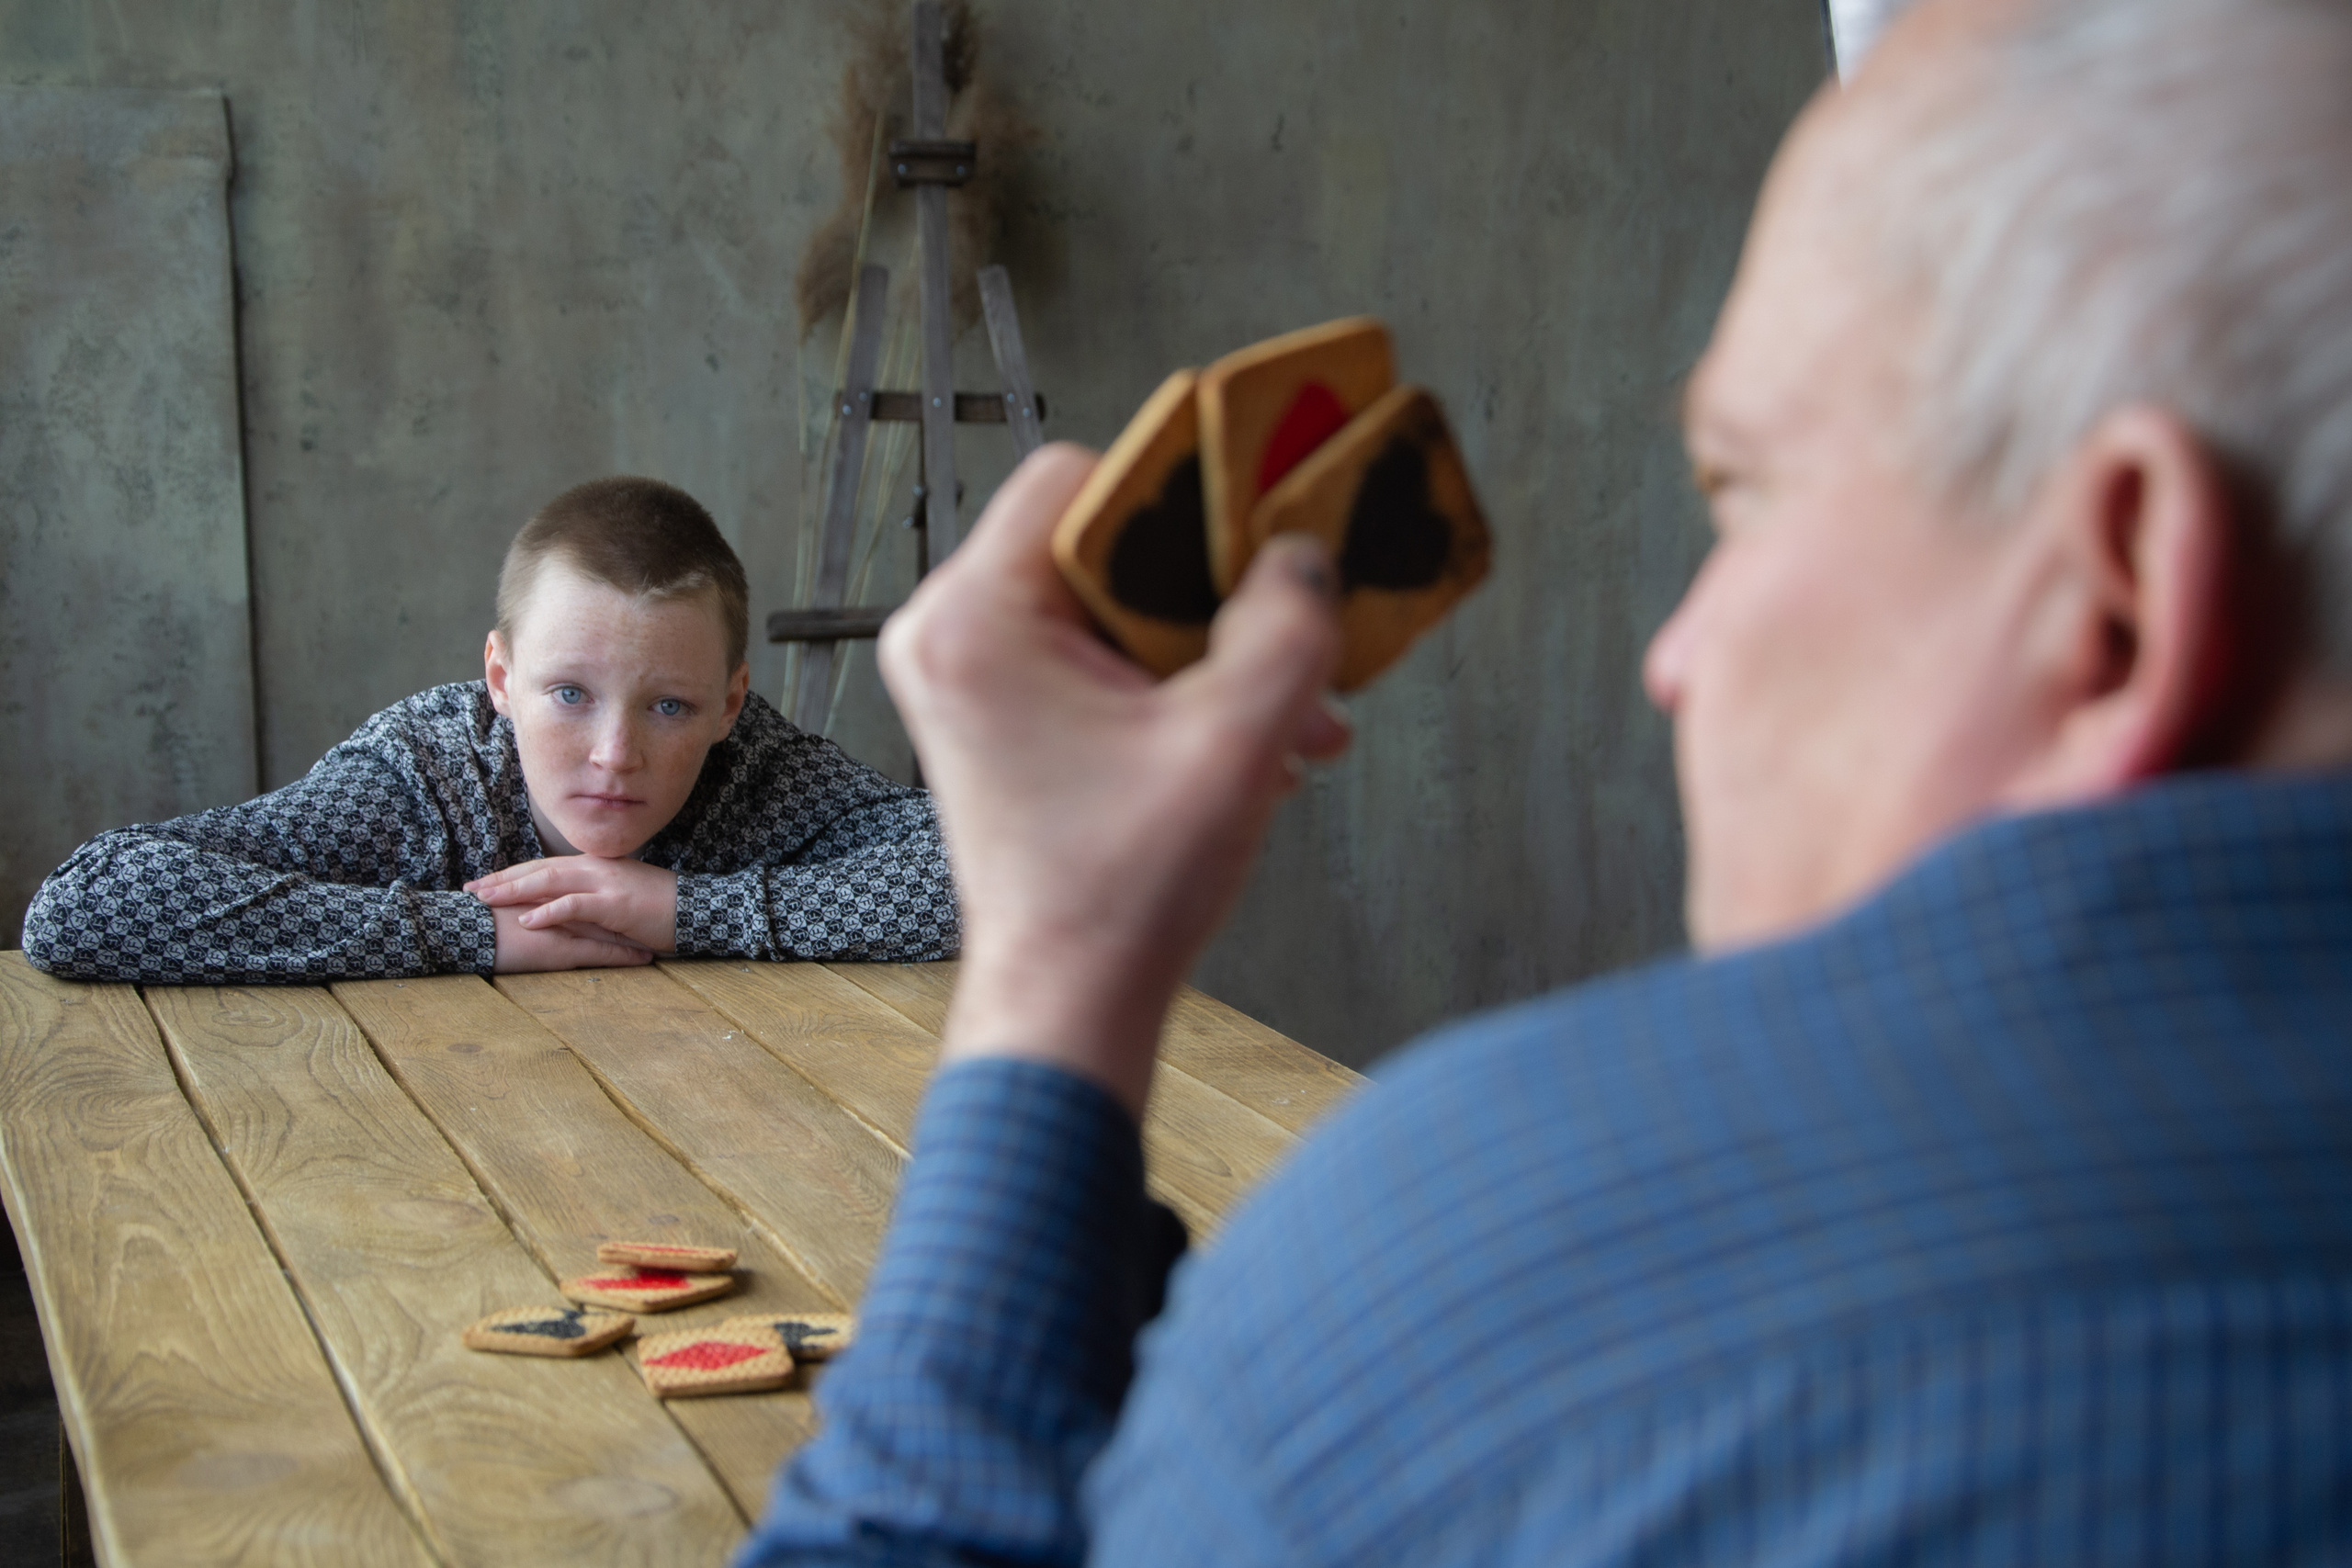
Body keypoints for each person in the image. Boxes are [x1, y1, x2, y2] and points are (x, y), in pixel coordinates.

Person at [737, 0, 2352, 1562]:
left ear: (2116, 601)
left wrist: (1052, 980)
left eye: (1746, 496)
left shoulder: (1475, 1287)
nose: (1677, 652)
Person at [22, 477, 958, 983]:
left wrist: (675, 911)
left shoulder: (759, 771)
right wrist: (473, 932)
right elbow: (84, 903)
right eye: (567, 695)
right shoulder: (424, 781)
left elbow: (994, 871)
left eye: (668, 706)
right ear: (501, 680)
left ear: (729, 705)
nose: (614, 755)